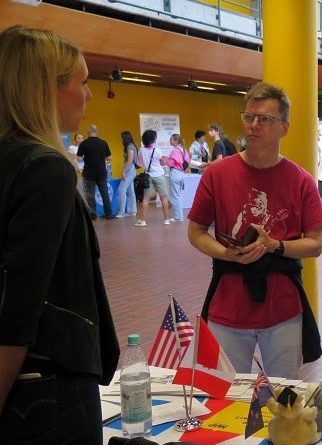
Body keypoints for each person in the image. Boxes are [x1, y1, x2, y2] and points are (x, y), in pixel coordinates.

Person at [0, 25, 119, 445]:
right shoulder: (44, 168)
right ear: (45, 89)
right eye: (82, 82)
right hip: (45, 393)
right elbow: (17, 308)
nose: (88, 95)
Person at [188, 82, 322, 377]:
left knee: (283, 396)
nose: (254, 125)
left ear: (284, 127)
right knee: (225, 397)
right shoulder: (217, 174)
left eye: (265, 119)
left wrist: (275, 245)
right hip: (227, 304)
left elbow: (315, 243)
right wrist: (227, 253)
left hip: (283, 309)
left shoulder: (300, 180)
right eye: (249, 117)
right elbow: (196, 231)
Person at [134, 129, 172, 227]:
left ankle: (142, 221)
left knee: (146, 198)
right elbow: (162, 163)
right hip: (159, 175)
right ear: (153, 139)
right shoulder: (157, 150)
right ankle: (167, 219)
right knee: (163, 197)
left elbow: (139, 164)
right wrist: (163, 160)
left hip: (148, 176)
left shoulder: (141, 150)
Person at [77, 124, 113, 219]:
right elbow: (109, 158)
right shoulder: (103, 143)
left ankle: (93, 215)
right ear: (97, 132)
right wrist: (101, 159)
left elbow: (79, 158)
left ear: (88, 132)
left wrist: (86, 158)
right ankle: (108, 214)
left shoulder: (84, 144)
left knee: (90, 195)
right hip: (101, 172)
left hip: (89, 173)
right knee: (105, 194)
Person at [165, 133, 190, 222]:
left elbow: (171, 163)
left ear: (175, 141)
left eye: (171, 139)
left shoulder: (175, 150)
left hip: (175, 173)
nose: (170, 141)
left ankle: (178, 216)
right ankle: (178, 216)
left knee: (175, 196)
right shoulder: (184, 150)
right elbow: (187, 162)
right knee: (177, 195)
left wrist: (165, 159)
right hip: (182, 173)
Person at [115, 131, 138, 218]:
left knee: (121, 190)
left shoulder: (130, 146)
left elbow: (130, 160)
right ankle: (132, 211)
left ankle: (121, 212)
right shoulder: (131, 146)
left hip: (129, 170)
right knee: (130, 191)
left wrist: (124, 171)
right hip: (130, 169)